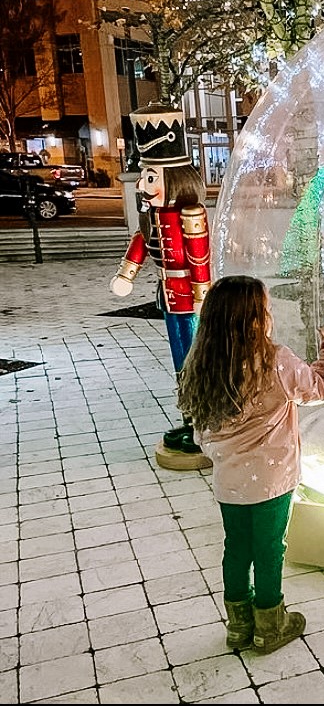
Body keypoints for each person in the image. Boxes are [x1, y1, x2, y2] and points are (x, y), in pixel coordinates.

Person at [177, 275, 324, 653]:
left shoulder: (203, 363)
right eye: (265, 309)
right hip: (272, 479)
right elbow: (317, 389)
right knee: (269, 549)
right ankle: (270, 623)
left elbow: (200, 432)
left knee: (236, 548)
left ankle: (238, 626)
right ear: (255, 318)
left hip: (229, 479)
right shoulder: (275, 359)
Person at [109, 103, 211, 456]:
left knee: (196, 359)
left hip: (190, 299)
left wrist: (202, 296)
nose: (142, 184)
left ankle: (203, 421)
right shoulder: (151, 218)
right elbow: (140, 244)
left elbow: (200, 257)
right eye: (144, 176)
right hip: (169, 297)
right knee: (180, 360)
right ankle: (190, 419)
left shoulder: (191, 214)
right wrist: (127, 274)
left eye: (150, 177)